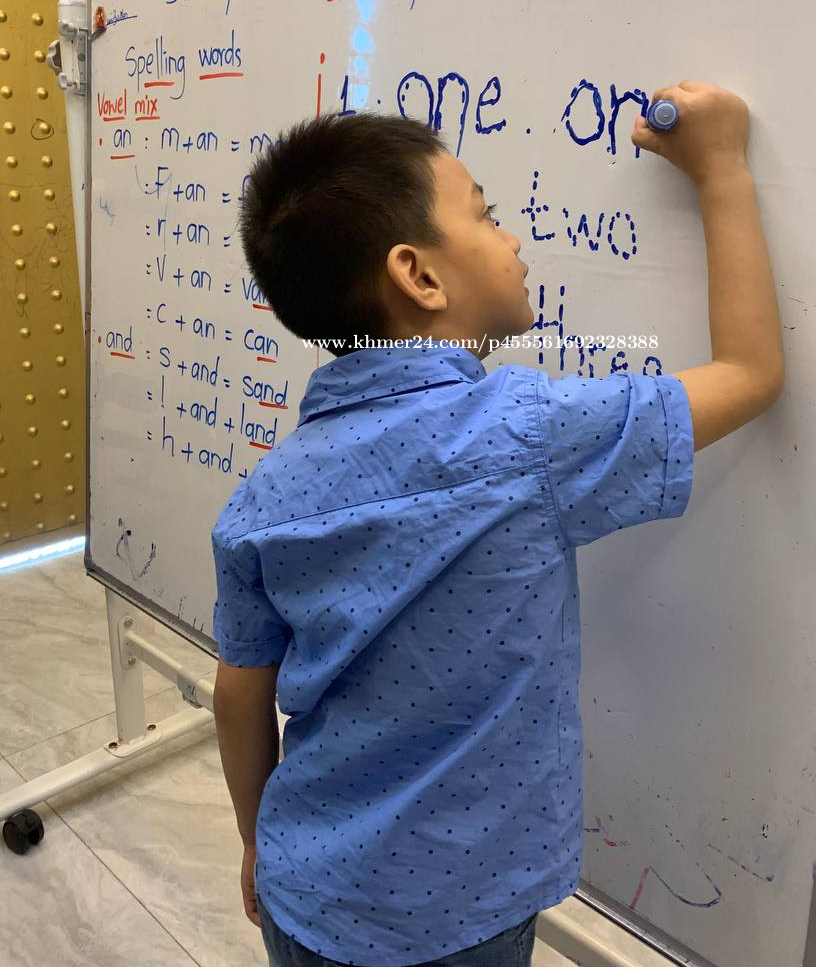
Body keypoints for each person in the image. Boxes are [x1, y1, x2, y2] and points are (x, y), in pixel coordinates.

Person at [211, 81, 784, 967]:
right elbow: (750, 372)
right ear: (419, 275)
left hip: (305, 892)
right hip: (456, 918)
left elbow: (239, 696)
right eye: (486, 215)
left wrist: (258, 844)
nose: (512, 238)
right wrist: (722, 170)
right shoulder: (530, 437)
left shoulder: (260, 499)